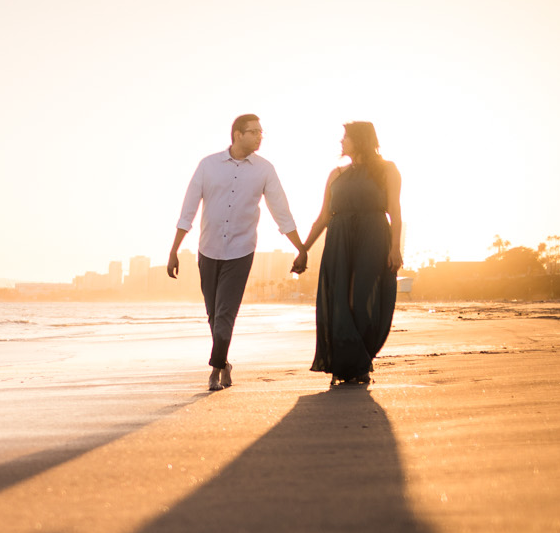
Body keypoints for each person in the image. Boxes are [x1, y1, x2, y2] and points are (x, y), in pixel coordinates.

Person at [170, 114, 307, 392]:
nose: (260, 136)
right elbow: (188, 210)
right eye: (254, 132)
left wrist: (300, 247)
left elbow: (281, 211)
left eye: (261, 132)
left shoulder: (265, 170)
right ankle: (224, 363)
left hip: (241, 251)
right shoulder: (208, 166)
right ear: (237, 135)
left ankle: (214, 371)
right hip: (207, 250)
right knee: (213, 314)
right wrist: (174, 250)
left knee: (225, 314)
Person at [293, 121, 403, 387]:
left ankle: (360, 360)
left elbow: (396, 213)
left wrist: (395, 247)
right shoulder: (337, 174)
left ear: (361, 139)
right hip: (339, 240)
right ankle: (347, 362)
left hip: (374, 236)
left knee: (362, 299)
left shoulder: (387, 170)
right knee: (340, 300)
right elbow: (323, 217)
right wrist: (303, 249)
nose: (341, 142)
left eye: (346, 137)